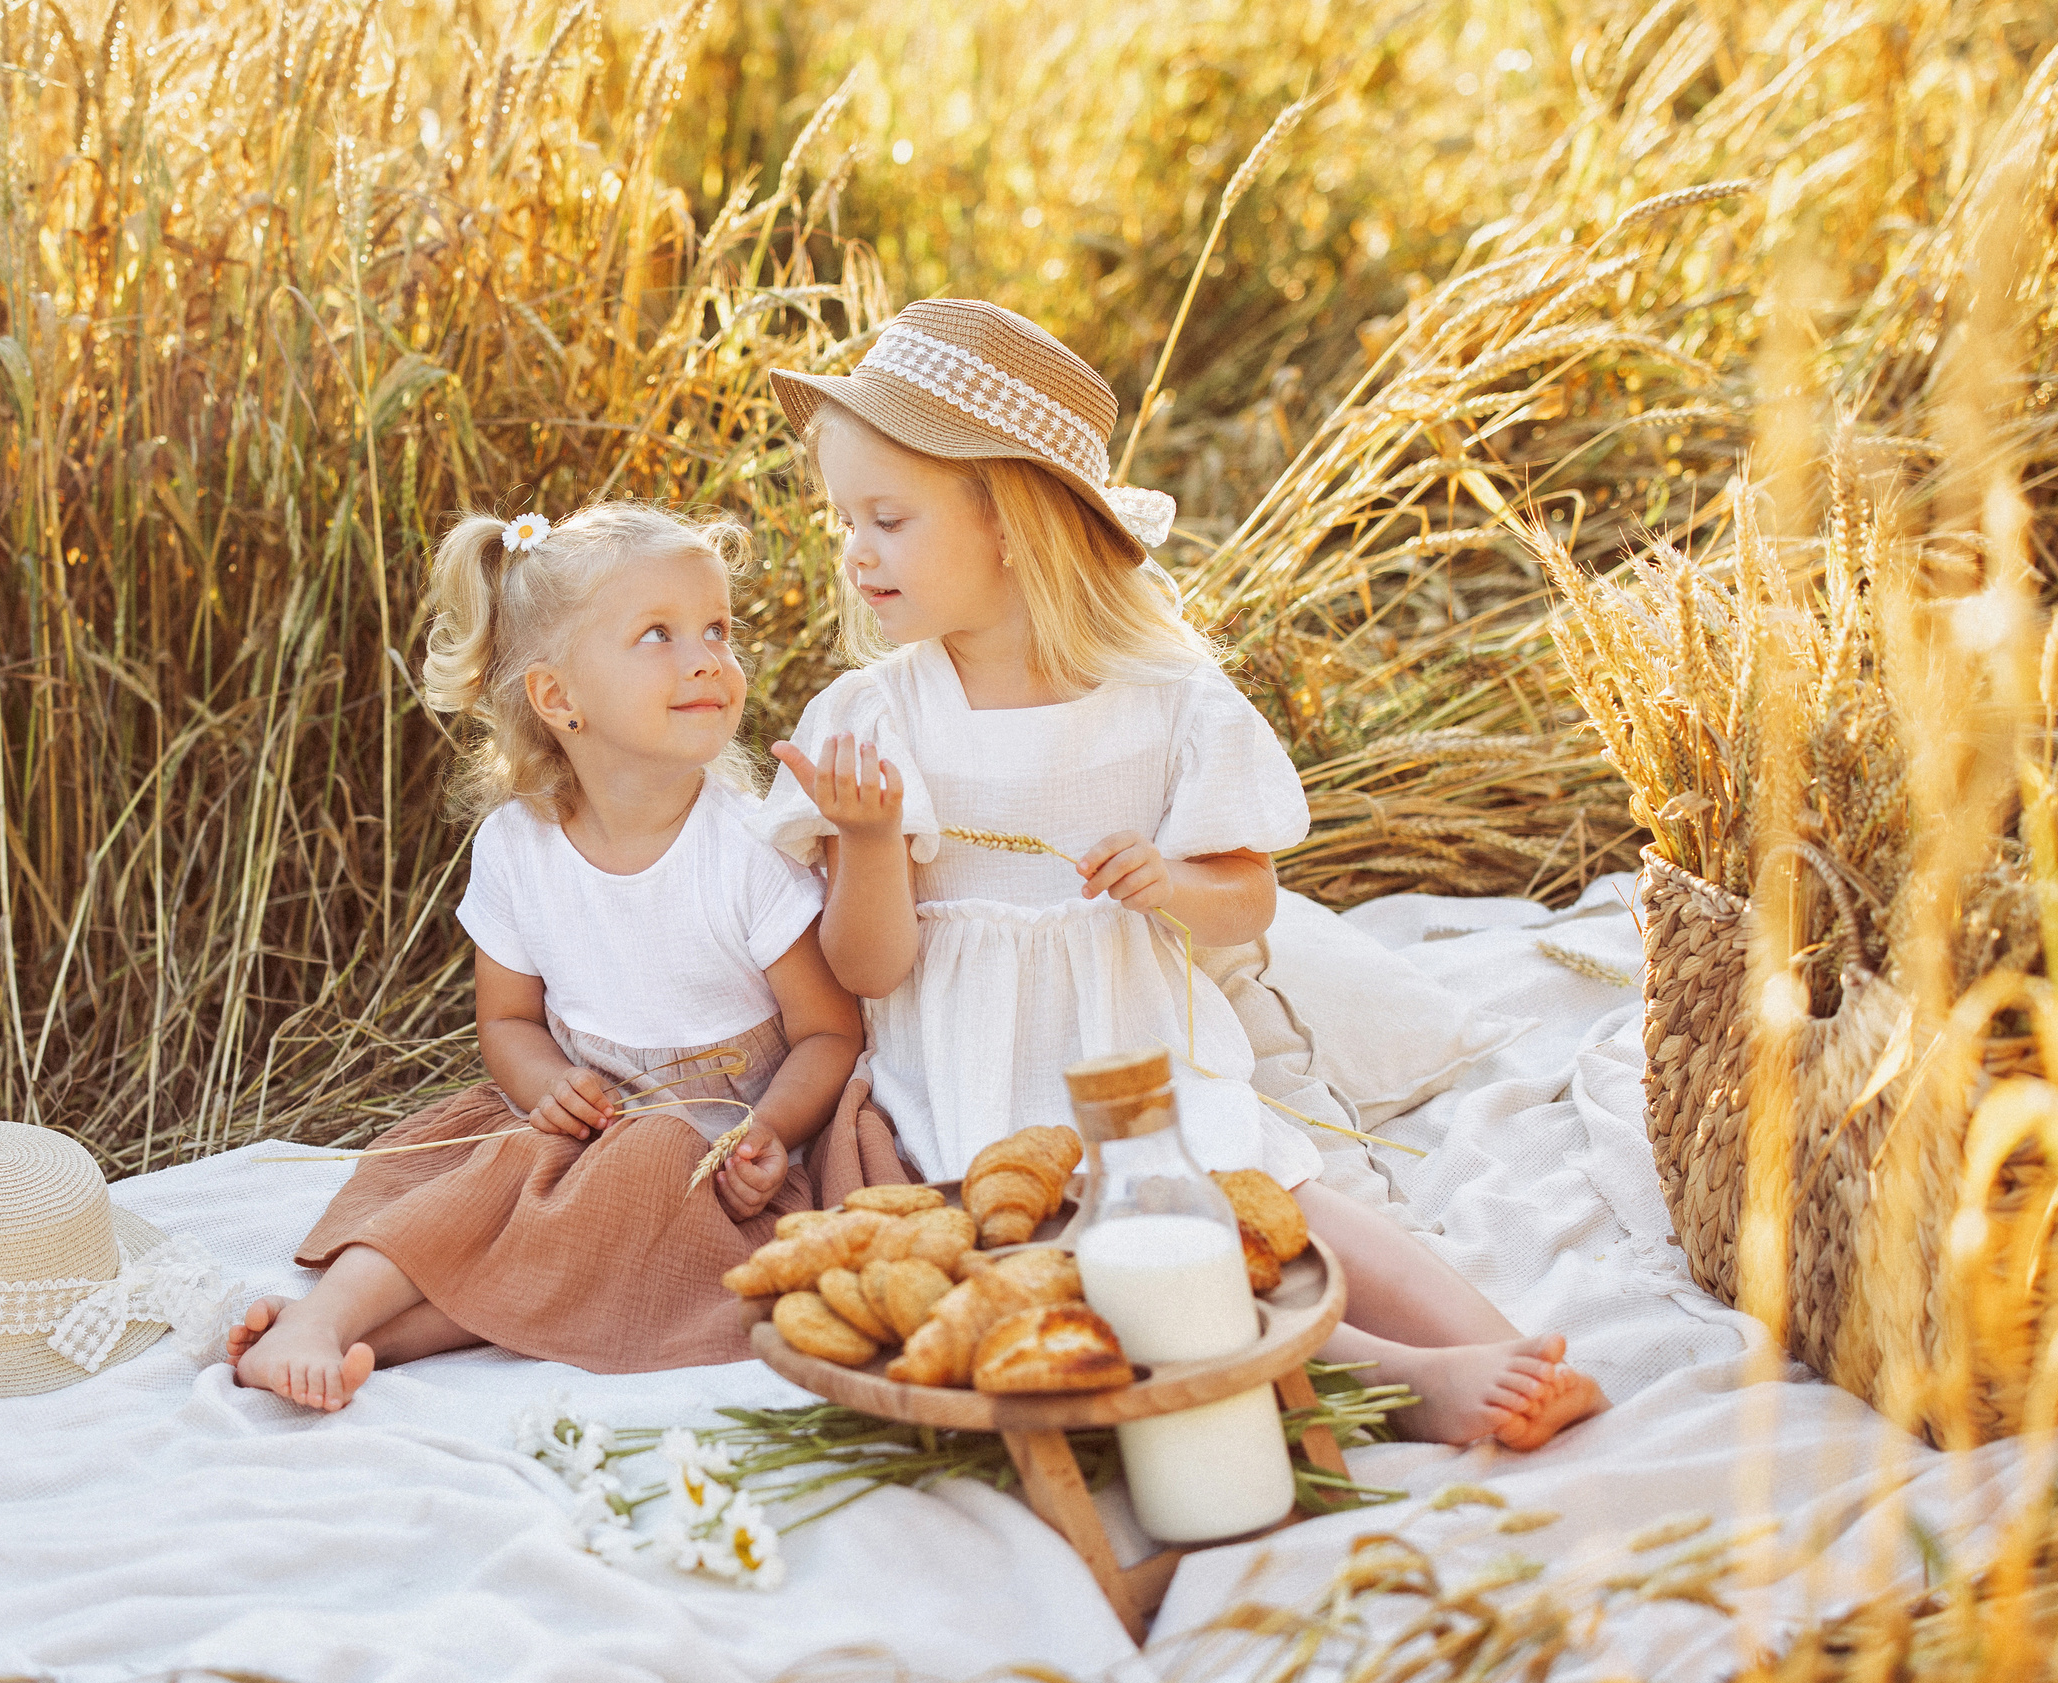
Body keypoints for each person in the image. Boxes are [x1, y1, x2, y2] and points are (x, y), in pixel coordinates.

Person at [756, 300, 1607, 1451]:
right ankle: (1412, 1381)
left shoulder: (1165, 701)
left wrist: (1169, 882)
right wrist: (866, 843)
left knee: (1266, 1187)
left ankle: (1510, 1347)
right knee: (1087, 1245)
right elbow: (869, 971)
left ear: (1009, 520)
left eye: (888, 519)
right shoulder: (875, 718)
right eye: (845, 519)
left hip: (1139, 1037)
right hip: (969, 1065)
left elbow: (1246, 902)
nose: (854, 551)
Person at [228, 503, 862, 1410]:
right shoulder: (517, 847)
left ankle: (364, 1338)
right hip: (575, 1127)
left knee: (601, 1225)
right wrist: (544, 1086)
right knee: (482, 1185)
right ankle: (329, 1314)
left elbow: (830, 1033)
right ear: (559, 699)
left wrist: (770, 1130)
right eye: (658, 634)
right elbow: (508, 1020)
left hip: (707, 1163)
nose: (707, 659)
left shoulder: (748, 849)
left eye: (718, 629)